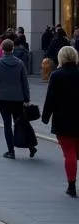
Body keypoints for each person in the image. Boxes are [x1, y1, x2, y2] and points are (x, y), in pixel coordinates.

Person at [41, 45, 79, 197]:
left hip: (63, 120)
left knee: (69, 152)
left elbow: (51, 98)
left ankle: (71, 185)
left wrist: (45, 116)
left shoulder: (57, 75)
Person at [0, 37, 34, 159]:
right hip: (18, 98)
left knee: (7, 124)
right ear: (12, 48)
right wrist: (27, 98)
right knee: (21, 122)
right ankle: (30, 146)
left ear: (2, 49)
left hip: (3, 98)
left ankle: (11, 151)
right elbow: (24, 82)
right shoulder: (19, 63)